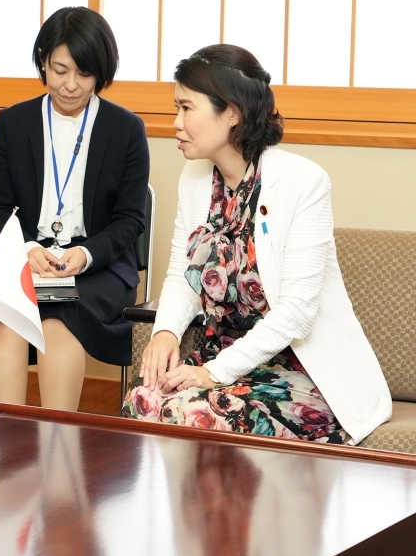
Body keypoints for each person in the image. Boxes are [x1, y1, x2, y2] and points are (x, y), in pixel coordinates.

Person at [125, 44, 390, 444]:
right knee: (143, 400)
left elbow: (297, 312)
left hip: (299, 371)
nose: (176, 122)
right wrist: (165, 333)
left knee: (193, 414)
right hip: (221, 359)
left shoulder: (302, 182)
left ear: (231, 112)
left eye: (186, 108)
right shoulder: (195, 179)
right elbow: (183, 274)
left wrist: (212, 373)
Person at [0, 6, 151, 411]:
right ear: (43, 61)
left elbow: (130, 219)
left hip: (99, 265)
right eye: (60, 70)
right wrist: (27, 249)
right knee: (6, 327)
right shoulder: (13, 123)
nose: (71, 85)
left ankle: (57, 443)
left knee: (58, 323)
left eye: (84, 74)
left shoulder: (126, 129)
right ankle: (8, 438)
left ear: (102, 72)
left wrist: (85, 254)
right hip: (30, 258)